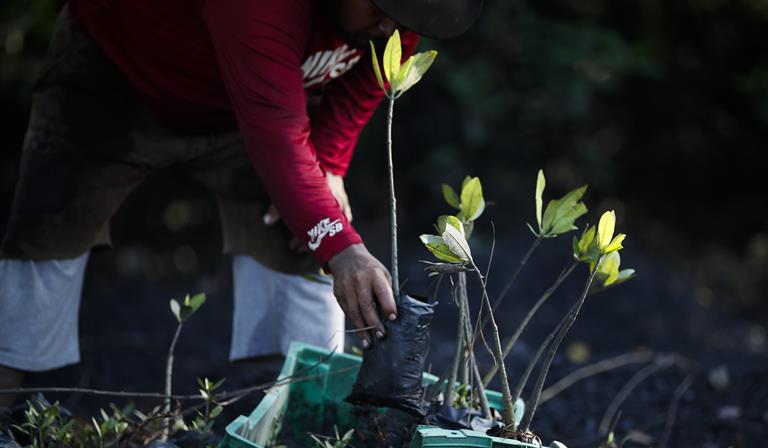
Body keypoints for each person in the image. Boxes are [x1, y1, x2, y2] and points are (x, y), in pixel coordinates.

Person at [0, 0, 483, 407]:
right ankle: (10, 420)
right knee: (47, 230)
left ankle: (294, 421)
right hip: (121, 75)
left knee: (297, 235)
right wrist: (342, 248)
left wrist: (330, 166)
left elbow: (360, 90)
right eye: (380, 7)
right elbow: (275, 131)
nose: (389, 26)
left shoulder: (403, 15)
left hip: (256, 107)